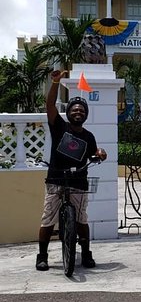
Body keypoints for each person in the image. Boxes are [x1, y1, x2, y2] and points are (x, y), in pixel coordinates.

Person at [36, 70, 107, 271]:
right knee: (48, 218)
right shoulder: (59, 127)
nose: (78, 112)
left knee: (81, 219)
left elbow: (97, 152)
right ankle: (42, 256)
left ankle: (86, 254)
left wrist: (101, 153)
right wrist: (55, 82)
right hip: (56, 179)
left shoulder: (89, 136)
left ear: (85, 115)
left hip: (78, 181)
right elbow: (49, 106)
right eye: (75, 110)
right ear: (69, 113)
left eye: (82, 111)